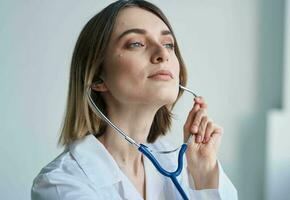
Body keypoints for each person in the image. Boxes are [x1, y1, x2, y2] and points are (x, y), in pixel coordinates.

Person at [31, 0, 238, 199]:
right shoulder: (61, 184)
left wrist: (204, 173)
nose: (162, 54)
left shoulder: (183, 164)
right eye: (136, 43)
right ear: (96, 77)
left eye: (168, 44)